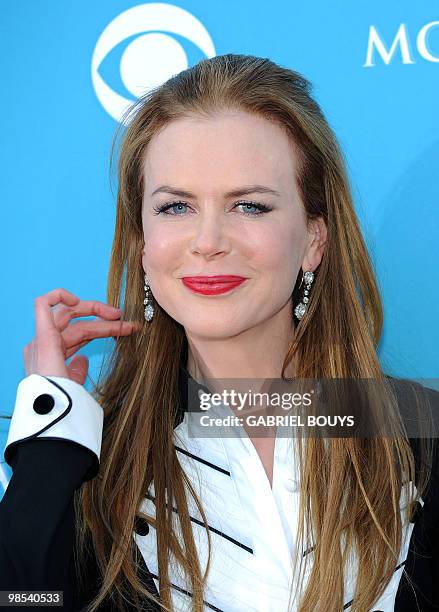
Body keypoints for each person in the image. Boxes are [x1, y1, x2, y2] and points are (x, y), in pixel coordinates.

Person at [0, 53, 438, 612]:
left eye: (249, 205)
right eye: (176, 206)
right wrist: (51, 433)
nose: (208, 240)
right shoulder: (89, 467)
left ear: (314, 239)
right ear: (141, 243)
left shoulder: (420, 436)